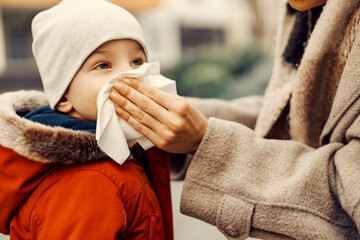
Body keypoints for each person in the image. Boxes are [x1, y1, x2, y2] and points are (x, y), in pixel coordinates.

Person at [109, 0, 360, 239]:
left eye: (136, 61)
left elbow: (350, 187)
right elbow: (287, 114)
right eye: (103, 65)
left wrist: (205, 141)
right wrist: (171, 117)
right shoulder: (305, 13)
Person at [0, 0, 174, 239]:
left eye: (137, 62)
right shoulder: (90, 181)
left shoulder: (127, 144)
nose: (131, 76)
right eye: (104, 65)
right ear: (64, 97)